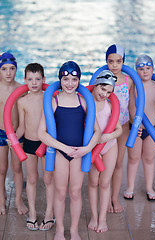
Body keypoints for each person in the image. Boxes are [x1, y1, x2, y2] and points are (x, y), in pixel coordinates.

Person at [38, 61, 101, 240]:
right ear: (60, 80)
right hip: (60, 153)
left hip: (79, 154)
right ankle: (59, 230)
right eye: (66, 79)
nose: (70, 83)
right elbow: (41, 133)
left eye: (74, 79)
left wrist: (87, 149)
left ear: (79, 81)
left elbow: (97, 131)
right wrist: (63, 148)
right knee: (60, 192)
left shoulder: (83, 101)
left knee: (75, 192)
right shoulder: (53, 101)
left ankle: (73, 230)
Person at [13, 63, 55, 230]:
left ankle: (49, 214)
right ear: (25, 81)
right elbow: (22, 126)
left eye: (38, 79)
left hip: (46, 144)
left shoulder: (49, 98)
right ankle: (32, 214)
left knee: (48, 179)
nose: (34, 82)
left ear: (43, 79)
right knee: (31, 178)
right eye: (30, 79)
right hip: (30, 143)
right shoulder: (22, 102)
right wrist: (15, 139)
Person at [88, 70, 122, 232]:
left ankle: (102, 219)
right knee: (93, 182)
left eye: (109, 92)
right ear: (95, 85)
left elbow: (119, 130)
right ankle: (94, 217)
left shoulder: (109, 106)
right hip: (93, 149)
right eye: (102, 89)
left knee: (105, 182)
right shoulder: (85, 102)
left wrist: (106, 137)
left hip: (109, 146)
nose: (105, 94)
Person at [124, 54, 155, 201]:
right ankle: (130, 187)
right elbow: (127, 105)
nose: (145, 71)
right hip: (135, 129)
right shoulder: (132, 86)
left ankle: (148, 187)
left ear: (153, 69)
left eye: (148, 68)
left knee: (149, 159)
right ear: (135, 70)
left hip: (152, 128)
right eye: (141, 69)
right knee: (133, 158)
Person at [105, 44, 135, 213]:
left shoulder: (129, 81)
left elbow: (131, 106)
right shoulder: (102, 79)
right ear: (106, 62)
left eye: (118, 61)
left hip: (123, 127)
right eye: (111, 61)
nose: (114, 65)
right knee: (105, 164)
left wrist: (135, 124)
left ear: (123, 61)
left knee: (117, 164)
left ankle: (114, 197)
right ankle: (105, 196)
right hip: (107, 128)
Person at [0, 52, 28, 215]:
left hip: (17, 133)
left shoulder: (21, 89)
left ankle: (18, 199)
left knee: (17, 167)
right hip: (1, 133)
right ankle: (2, 199)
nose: (8, 73)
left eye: (12, 69)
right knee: (2, 169)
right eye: (4, 69)